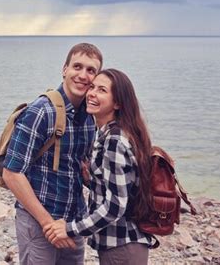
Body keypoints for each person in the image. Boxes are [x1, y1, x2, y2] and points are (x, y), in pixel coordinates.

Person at [2, 43, 103, 265]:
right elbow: (11, 173)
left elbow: (79, 167)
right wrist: (48, 224)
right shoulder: (41, 111)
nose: (82, 75)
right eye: (77, 66)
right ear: (64, 69)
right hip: (39, 223)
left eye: (90, 70)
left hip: (72, 223)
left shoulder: (89, 117)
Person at [43, 68, 153, 264]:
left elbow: (115, 207)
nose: (92, 93)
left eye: (102, 90)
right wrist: (92, 179)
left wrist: (69, 228)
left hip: (122, 246)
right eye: (92, 87)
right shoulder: (110, 134)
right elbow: (122, 188)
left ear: (118, 102)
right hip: (122, 245)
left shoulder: (114, 140)